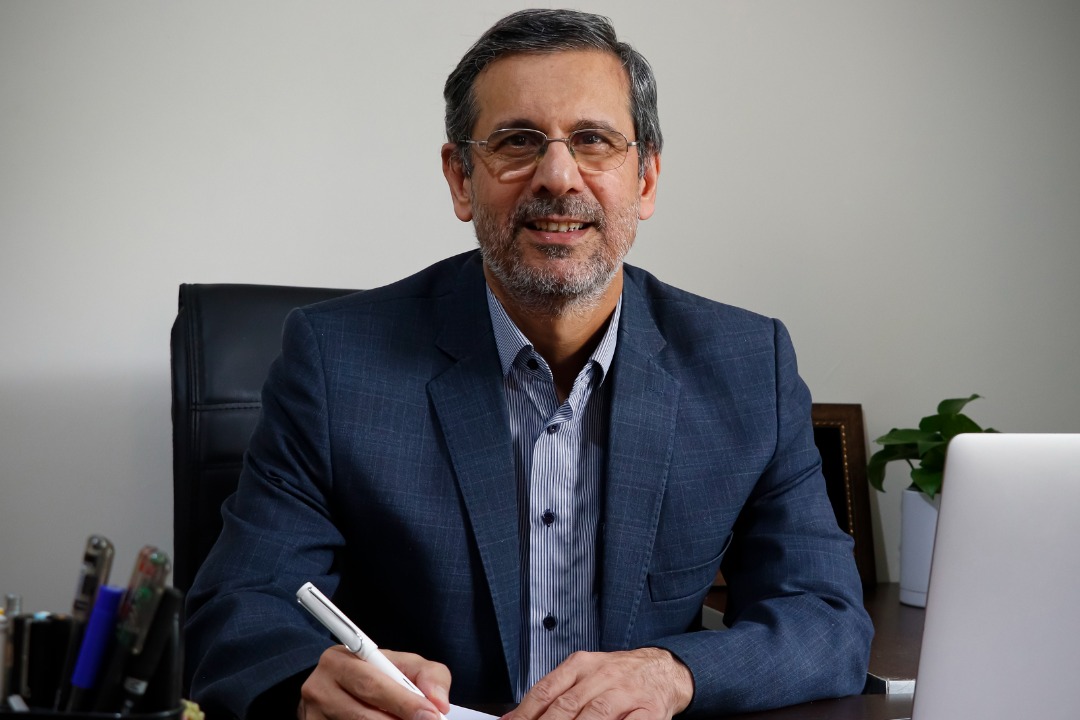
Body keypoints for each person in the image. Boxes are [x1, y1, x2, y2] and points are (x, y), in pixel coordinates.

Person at [184, 9, 873, 720]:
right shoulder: (336, 363)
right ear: (461, 179)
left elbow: (826, 620)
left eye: (594, 140)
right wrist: (309, 681)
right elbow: (237, 609)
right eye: (517, 141)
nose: (558, 176)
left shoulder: (748, 367)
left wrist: (671, 674)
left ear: (645, 179)